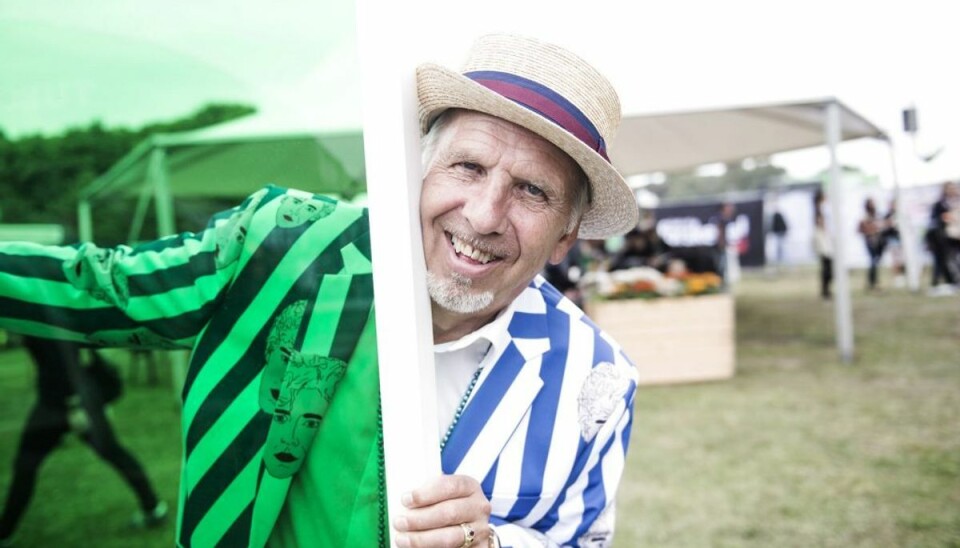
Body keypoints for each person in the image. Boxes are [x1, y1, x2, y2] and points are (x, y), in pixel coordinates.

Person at [0, 34, 638, 548]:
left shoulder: (597, 378)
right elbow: (97, 288)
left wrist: (492, 544)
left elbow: (582, 538)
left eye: (532, 191)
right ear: (416, 167)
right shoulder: (284, 244)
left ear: (565, 235)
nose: (483, 214)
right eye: (467, 166)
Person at [0, 337, 166, 546]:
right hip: (67, 401)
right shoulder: (37, 311)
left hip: (64, 404)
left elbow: (66, 353)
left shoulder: (44, 309)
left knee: (26, 465)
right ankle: (152, 506)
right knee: (111, 452)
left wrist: (74, 404)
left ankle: (5, 532)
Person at [925, 180, 960, 294]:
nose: (953, 190)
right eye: (950, 188)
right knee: (943, 260)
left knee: (951, 260)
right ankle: (942, 282)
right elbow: (935, 220)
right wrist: (945, 218)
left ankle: (953, 281)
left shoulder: (956, 203)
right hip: (944, 237)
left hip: (956, 235)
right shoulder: (940, 204)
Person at [857, 197, 888, 290]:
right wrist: (870, 233)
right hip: (870, 241)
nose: (873, 204)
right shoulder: (865, 217)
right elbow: (861, 229)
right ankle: (872, 282)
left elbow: (881, 225)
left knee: (875, 260)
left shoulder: (876, 215)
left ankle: (873, 281)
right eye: (871, 203)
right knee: (873, 260)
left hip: (878, 241)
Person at [813, 189, 833, 300]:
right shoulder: (819, 209)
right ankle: (825, 291)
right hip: (823, 240)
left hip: (826, 239)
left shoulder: (822, 208)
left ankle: (826, 290)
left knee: (827, 265)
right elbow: (821, 224)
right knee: (826, 265)